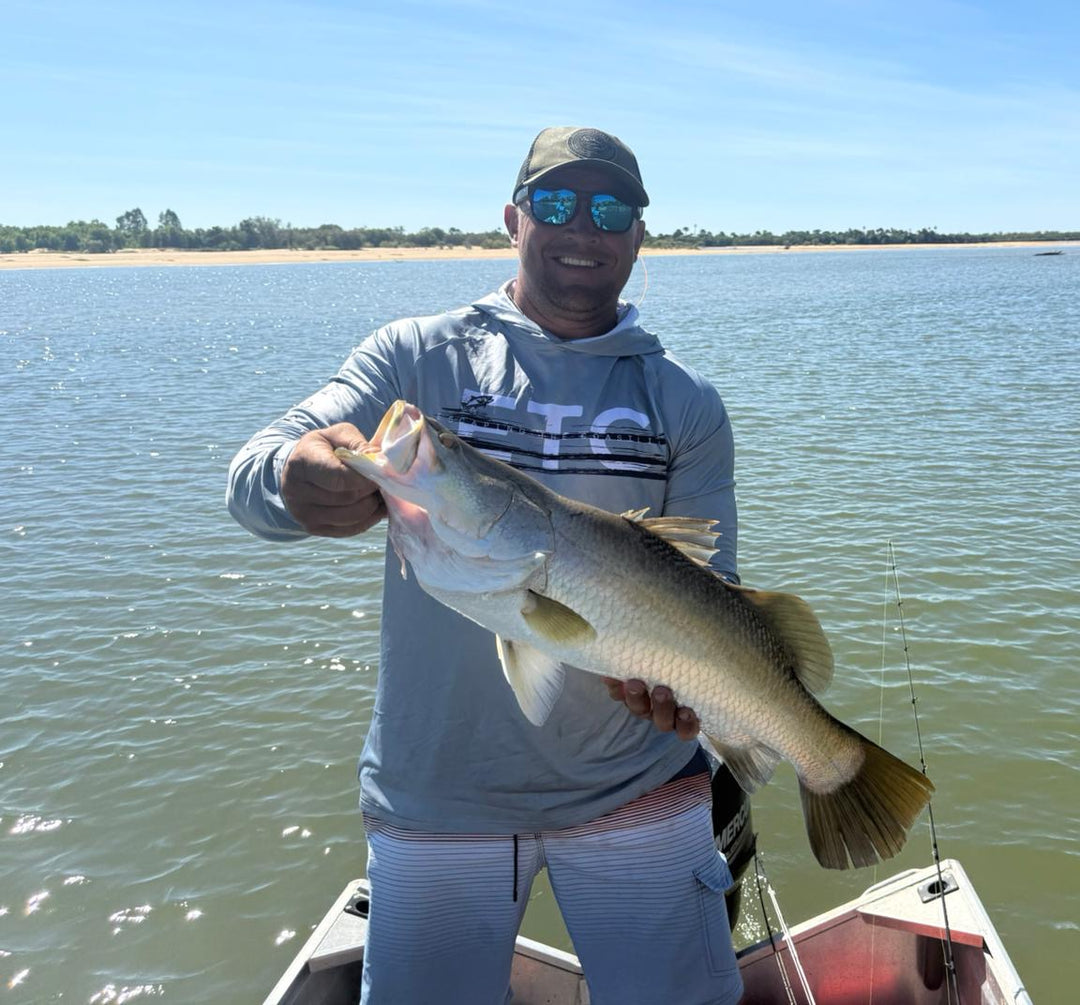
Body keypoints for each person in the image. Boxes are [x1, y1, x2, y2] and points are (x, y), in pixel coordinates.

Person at [227, 127, 744, 1005]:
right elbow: (253, 472)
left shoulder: (684, 400)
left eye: (610, 207)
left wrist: (690, 693)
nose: (582, 226)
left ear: (638, 237)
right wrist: (294, 478)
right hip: (438, 799)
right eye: (555, 202)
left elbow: (715, 588)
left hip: (637, 790)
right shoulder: (413, 357)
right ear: (513, 218)